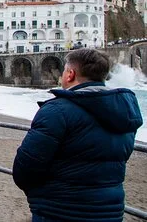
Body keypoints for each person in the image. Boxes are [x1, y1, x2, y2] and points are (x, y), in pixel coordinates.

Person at [13, 49, 143, 222]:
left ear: (70, 74)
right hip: (110, 211)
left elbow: (25, 168)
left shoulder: (56, 111)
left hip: (59, 210)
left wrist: (40, 195)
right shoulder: (125, 112)